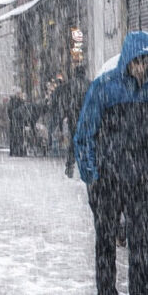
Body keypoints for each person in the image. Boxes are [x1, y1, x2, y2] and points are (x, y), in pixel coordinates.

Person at [74, 31, 148, 295]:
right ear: (128, 60)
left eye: (146, 62)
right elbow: (85, 135)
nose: (142, 68)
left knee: (142, 245)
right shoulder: (104, 88)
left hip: (141, 182)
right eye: (138, 61)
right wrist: (92, 176)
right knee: (105, 244)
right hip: (107, 181)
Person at [55, 65, 90, 178]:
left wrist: (63, 116)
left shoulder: (70, 85)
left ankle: (70, 166)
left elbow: (64, 102)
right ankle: (86, 166)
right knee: (86, 141)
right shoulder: (89, 84)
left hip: (73, 116)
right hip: (85, 117)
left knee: (73, 141)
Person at [7, 89, 26, 157]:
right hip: (17, 121)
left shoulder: (12, 101)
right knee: (18, 136)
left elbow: (9, 111)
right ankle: (18, 151)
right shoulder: (20, 102)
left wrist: (12, 117)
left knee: (15, 136)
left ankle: (15, 151)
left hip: (15, 121)